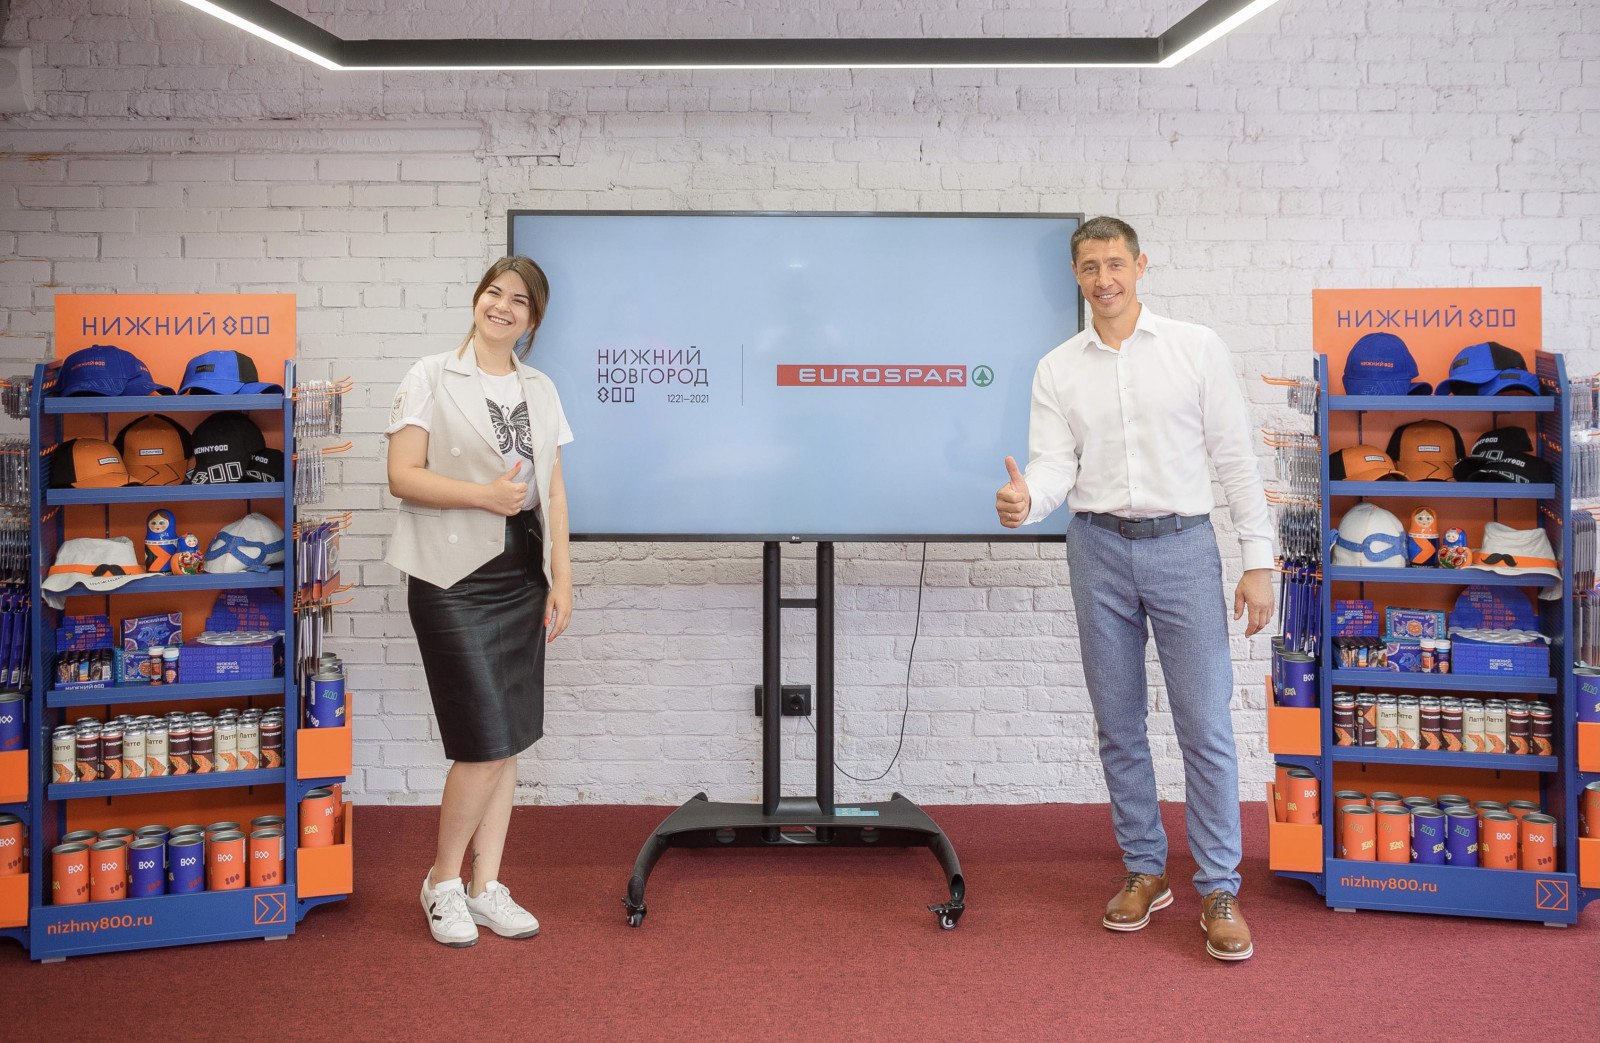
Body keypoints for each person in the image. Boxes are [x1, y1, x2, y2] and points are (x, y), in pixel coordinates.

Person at [994, 217, 1273, 961]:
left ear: (1140, 266)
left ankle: (1219, 887)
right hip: (1096, 549)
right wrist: (1028, 501)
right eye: (1090, 267)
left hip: (1184, 546)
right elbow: (1054, 465)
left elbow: (1236, 458)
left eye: (1115, 263)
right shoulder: (1058, 367)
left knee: (1204, 724)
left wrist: (1259, 560)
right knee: (1118, 722)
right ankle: (1146, 869)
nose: (1104, 279)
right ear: (1076, 276)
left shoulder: (1195, 347)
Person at [385, 255, 575, 947]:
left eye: (519, 300)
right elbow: (401, 475)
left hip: (521, 573)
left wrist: (563, 576)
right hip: (451, 578)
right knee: (484, 741)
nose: (502, 306)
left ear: (533, 320)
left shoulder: (540, 388)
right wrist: (482, 496)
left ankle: (484, 884)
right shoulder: (431, 375)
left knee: (509, 737)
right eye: (494, 292)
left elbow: (552, 488)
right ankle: (441, 882)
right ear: (477, 299)